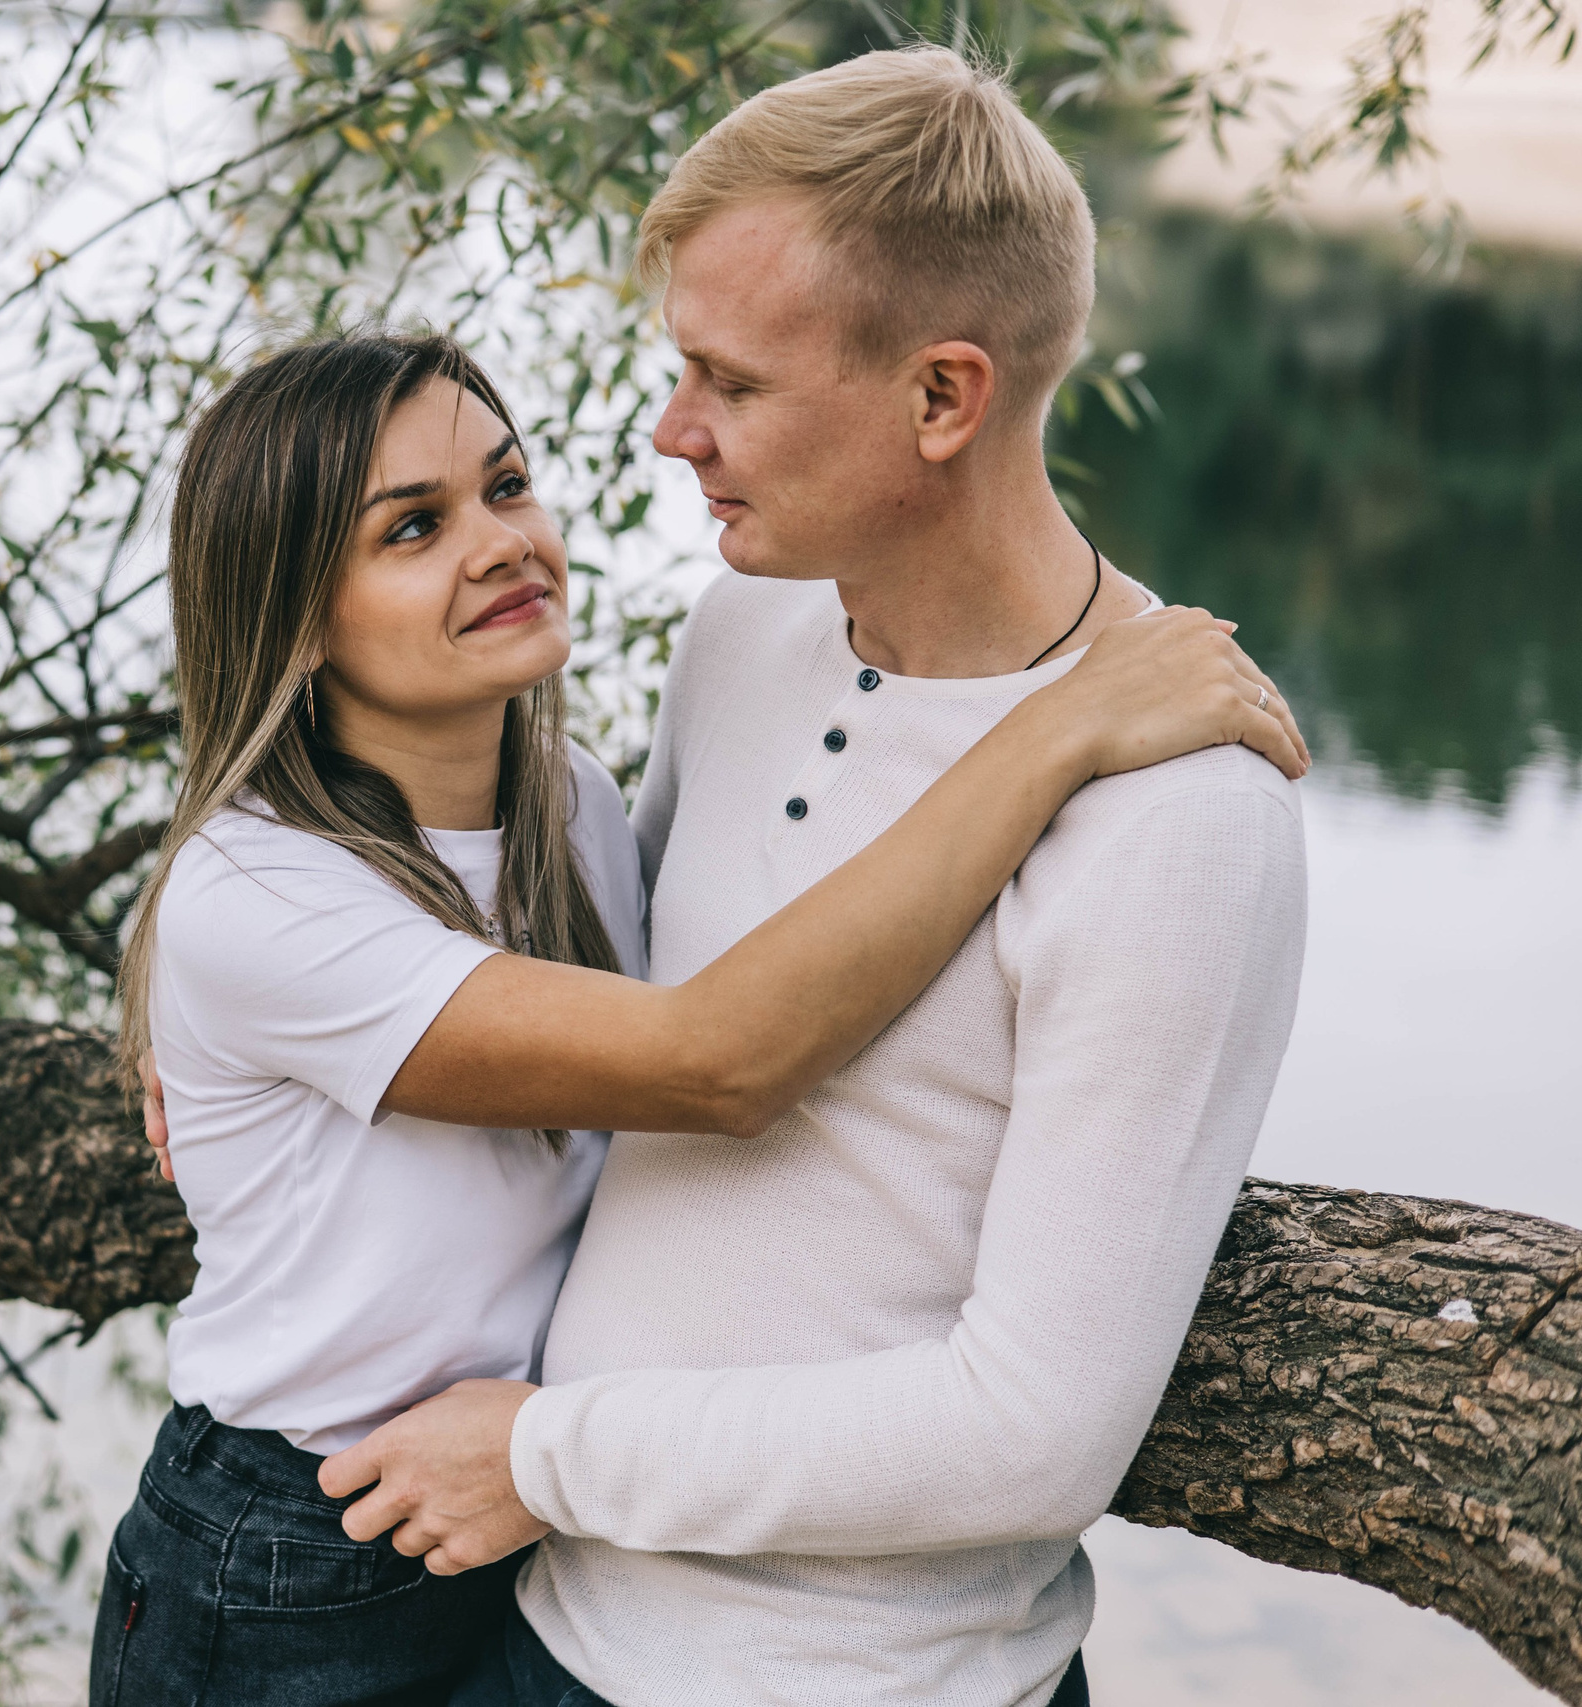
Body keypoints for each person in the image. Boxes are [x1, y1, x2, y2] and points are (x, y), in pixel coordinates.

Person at [94, 317, 1305, 1705]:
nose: (498, 540)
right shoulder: (258, 894)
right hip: (300, 1547)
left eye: (505, 485)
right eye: (411, 530)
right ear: (294, 616)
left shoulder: (581, 815)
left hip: (518, 1521)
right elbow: (718, 1056)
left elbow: (768, 977)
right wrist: (1060, 725)